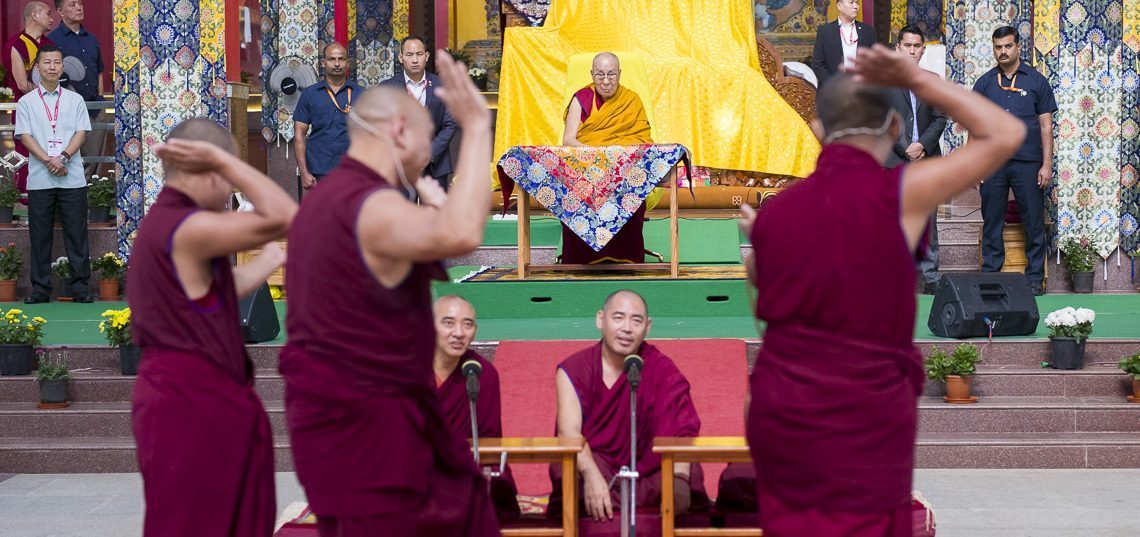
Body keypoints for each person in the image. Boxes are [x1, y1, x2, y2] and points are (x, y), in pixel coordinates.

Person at [743, 44, 1024, 536]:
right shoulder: (900, 193)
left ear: (819, 130)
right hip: (865, 414)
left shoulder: (776, 215)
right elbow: (1006, 132)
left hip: (784, 409)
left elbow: (766, 309)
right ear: (894, 127)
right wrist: (917, 80)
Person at [279, 51, 500, 535]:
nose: (429, 156)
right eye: (427, 142)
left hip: (336, 427)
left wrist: (435, 216)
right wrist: (478, 127)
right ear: (400, 131)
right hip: (370, 429)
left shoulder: (327, 205)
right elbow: (464, 233)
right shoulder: (369, 202)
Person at [128, 117, 296, 537]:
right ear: (212, 172)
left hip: (191, 399)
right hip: (190, 406)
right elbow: (286, 215)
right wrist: (226, 160)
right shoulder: (188, 226)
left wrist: (264, 265)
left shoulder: (171, 223)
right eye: (228, 177)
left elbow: (211, 296)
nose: (231, 192)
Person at [549, 289, 709, 533]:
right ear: (600, 319)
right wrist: (592, 477)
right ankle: (641, 513)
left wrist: (678, 479)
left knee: (686, 473)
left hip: (649, 471)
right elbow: (569, 433)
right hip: (597, 467)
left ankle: (620, 510)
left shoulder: (662, 369)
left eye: (636, 321)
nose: (626, 328)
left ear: (648, 327)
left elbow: (682, 430)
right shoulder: (574, 370)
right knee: (571, 470)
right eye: (618, 318)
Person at [973, 26, 1056, 296]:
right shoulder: (985, 83)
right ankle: (991, 275)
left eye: (1008, 46)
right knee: (992, 221)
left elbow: (1046, 127)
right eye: (998, 47)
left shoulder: (1036, 81)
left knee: (1033, 221)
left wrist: (1047, 164)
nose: (1003, 52)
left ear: (1018, 47)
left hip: (1028, 163)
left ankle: (1034, 278)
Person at [432, 294, 521, 523]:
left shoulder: (482, 374)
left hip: (467, 469)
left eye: (467, 324)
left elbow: (490, 440)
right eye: (448, 323)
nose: (459, 333)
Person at [14, 45, 91, 304]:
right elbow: (25, 136)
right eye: (46, 62)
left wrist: (64, 157)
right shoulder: (26, 102)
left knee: (77, 234)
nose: (52, 67)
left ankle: (81, 288)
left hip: (72, 177)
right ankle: (40, 289)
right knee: (40, 235)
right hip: (40, 177)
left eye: (56, 62)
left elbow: (81, 132)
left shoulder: (75, 100)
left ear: (62, 67)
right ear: (37, 68)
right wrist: (49, 160)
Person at [560, 52, 653, 264]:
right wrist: (599, 156)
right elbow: (569, 140)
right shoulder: (581, 98)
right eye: (600, 74)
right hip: (588, 166)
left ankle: (626, 256)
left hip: (622, 169)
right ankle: (580, 258)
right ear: (592, 74)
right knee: (573, 195)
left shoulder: (631, 100)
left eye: (611, 74)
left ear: (619, 74)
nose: (605, 81)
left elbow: (641, 140)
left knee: (631, 188)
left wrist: (615, 160)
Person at [886, 25, 947, 293]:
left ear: (923, 49)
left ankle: (930, 275)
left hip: (927, 158)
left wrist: (922, 144)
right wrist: (906, 148)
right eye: (907, 45)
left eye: (916, 46)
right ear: (897, 47)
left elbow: (941, 117)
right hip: (895, 160)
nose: (911, 50)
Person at [380, 35, 457, 191]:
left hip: (435, 163)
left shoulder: (442, 85)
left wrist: (429, 153)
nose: (415, 60)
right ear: (401, 57)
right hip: (401, 164)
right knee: (403, 213)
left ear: (426, 56)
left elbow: (449, 124)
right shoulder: (387, 88)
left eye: (419, 54)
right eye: (409, 55)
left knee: (435, 213)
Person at [3, 2, 55, 195]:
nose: (52, 18)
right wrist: (48, 93)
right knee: (26, 155)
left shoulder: (49, 45)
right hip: (27, 110)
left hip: (52, 110)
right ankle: (26, 199)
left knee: (52, 151)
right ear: (34, 15)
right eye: (48, 14)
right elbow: (23, 84)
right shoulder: (15, 44)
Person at [293, 42, 361, 190]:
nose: (337, 64)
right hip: (319, 170)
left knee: (351, 213)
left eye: (341, 59)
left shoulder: (361, 94)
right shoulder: (309, 94)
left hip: (353, 169)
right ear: (323, 63)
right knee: (322, 213)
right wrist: (304, 172)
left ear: (348, 63)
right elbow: (299, 134)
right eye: (332, 59)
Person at [811, 0, 875, 89]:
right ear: (839, 6)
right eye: (851, 2)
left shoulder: (868, 31)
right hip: (833, 91)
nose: (856, 6)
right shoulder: (825, 31)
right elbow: (817, 64)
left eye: (857, 3)